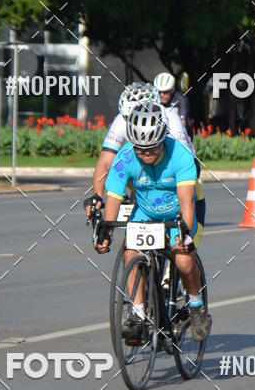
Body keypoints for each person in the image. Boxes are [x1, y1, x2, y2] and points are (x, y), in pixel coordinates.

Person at [94, 101, 212, 344]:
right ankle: (138, 315)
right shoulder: (125, 157)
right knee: (130, 252)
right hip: (146, 212)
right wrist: (106, 230)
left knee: (182, 259)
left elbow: (187, 202)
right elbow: (113, 198)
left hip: (180, 211)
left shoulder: (180, 154)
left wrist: (185, 235)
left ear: (162, 139)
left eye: (152, 148)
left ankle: (197, 307)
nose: (146, 154)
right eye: (140, 149)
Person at [86, 81, 192, 218]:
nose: (136, 123)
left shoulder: (171, 119)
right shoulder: (121, 120)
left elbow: (179, 161)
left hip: (172, 176)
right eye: (128, 117)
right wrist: (97, 196)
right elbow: (105, 162)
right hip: (141, 170)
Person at [153, 72, 192, 138]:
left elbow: (183, 122)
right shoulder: (154, 99)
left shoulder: (181, 99)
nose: (161, 95)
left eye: (165, 92)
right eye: (159, 92)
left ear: (172, 90)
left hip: (180, 134)